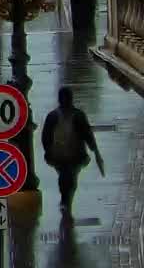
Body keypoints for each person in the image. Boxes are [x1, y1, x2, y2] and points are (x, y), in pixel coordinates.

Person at [41, 86, 104, 216]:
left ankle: (65, 200)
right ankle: (66, 199)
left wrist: (48, 151)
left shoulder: (53, 116)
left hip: (61, 156)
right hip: (73, 155)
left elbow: (45, 137)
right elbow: (88, 135)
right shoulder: (78, 115)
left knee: (65, 177)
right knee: (70, 177)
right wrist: (95, 151)